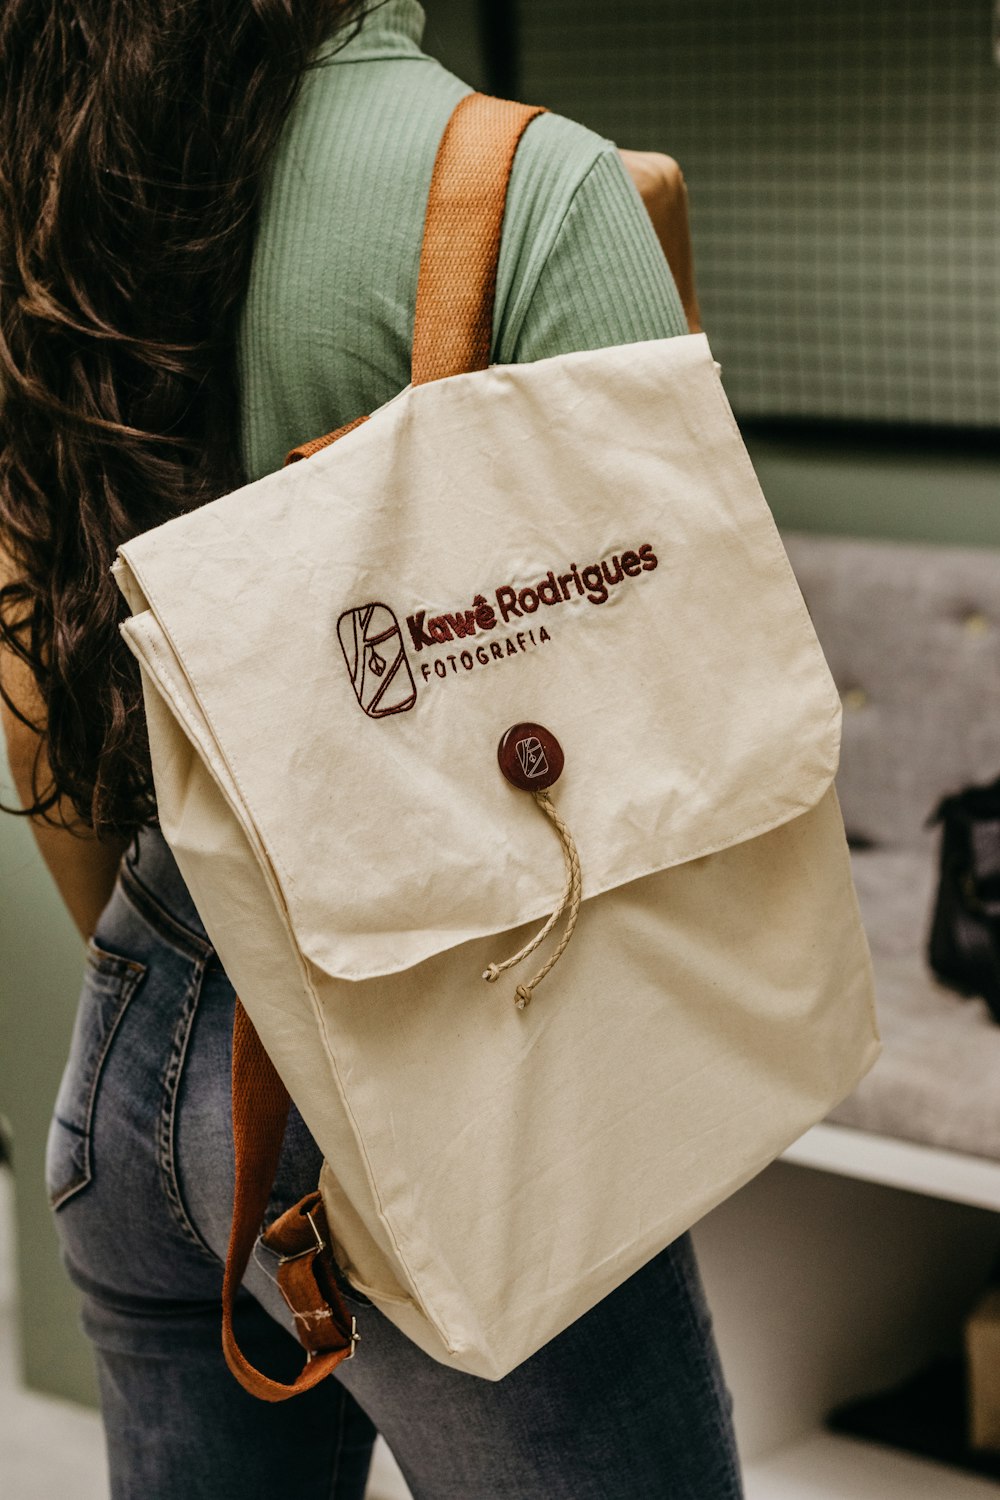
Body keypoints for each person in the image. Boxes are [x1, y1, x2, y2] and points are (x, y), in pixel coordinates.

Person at [0, 2, 745, 1495]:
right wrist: (659, 264)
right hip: (441, 1075)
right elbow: (692, 715)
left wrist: (200, 982)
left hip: (139, 1036)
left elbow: (34, 673)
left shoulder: (61, 193)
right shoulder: (535, 182)